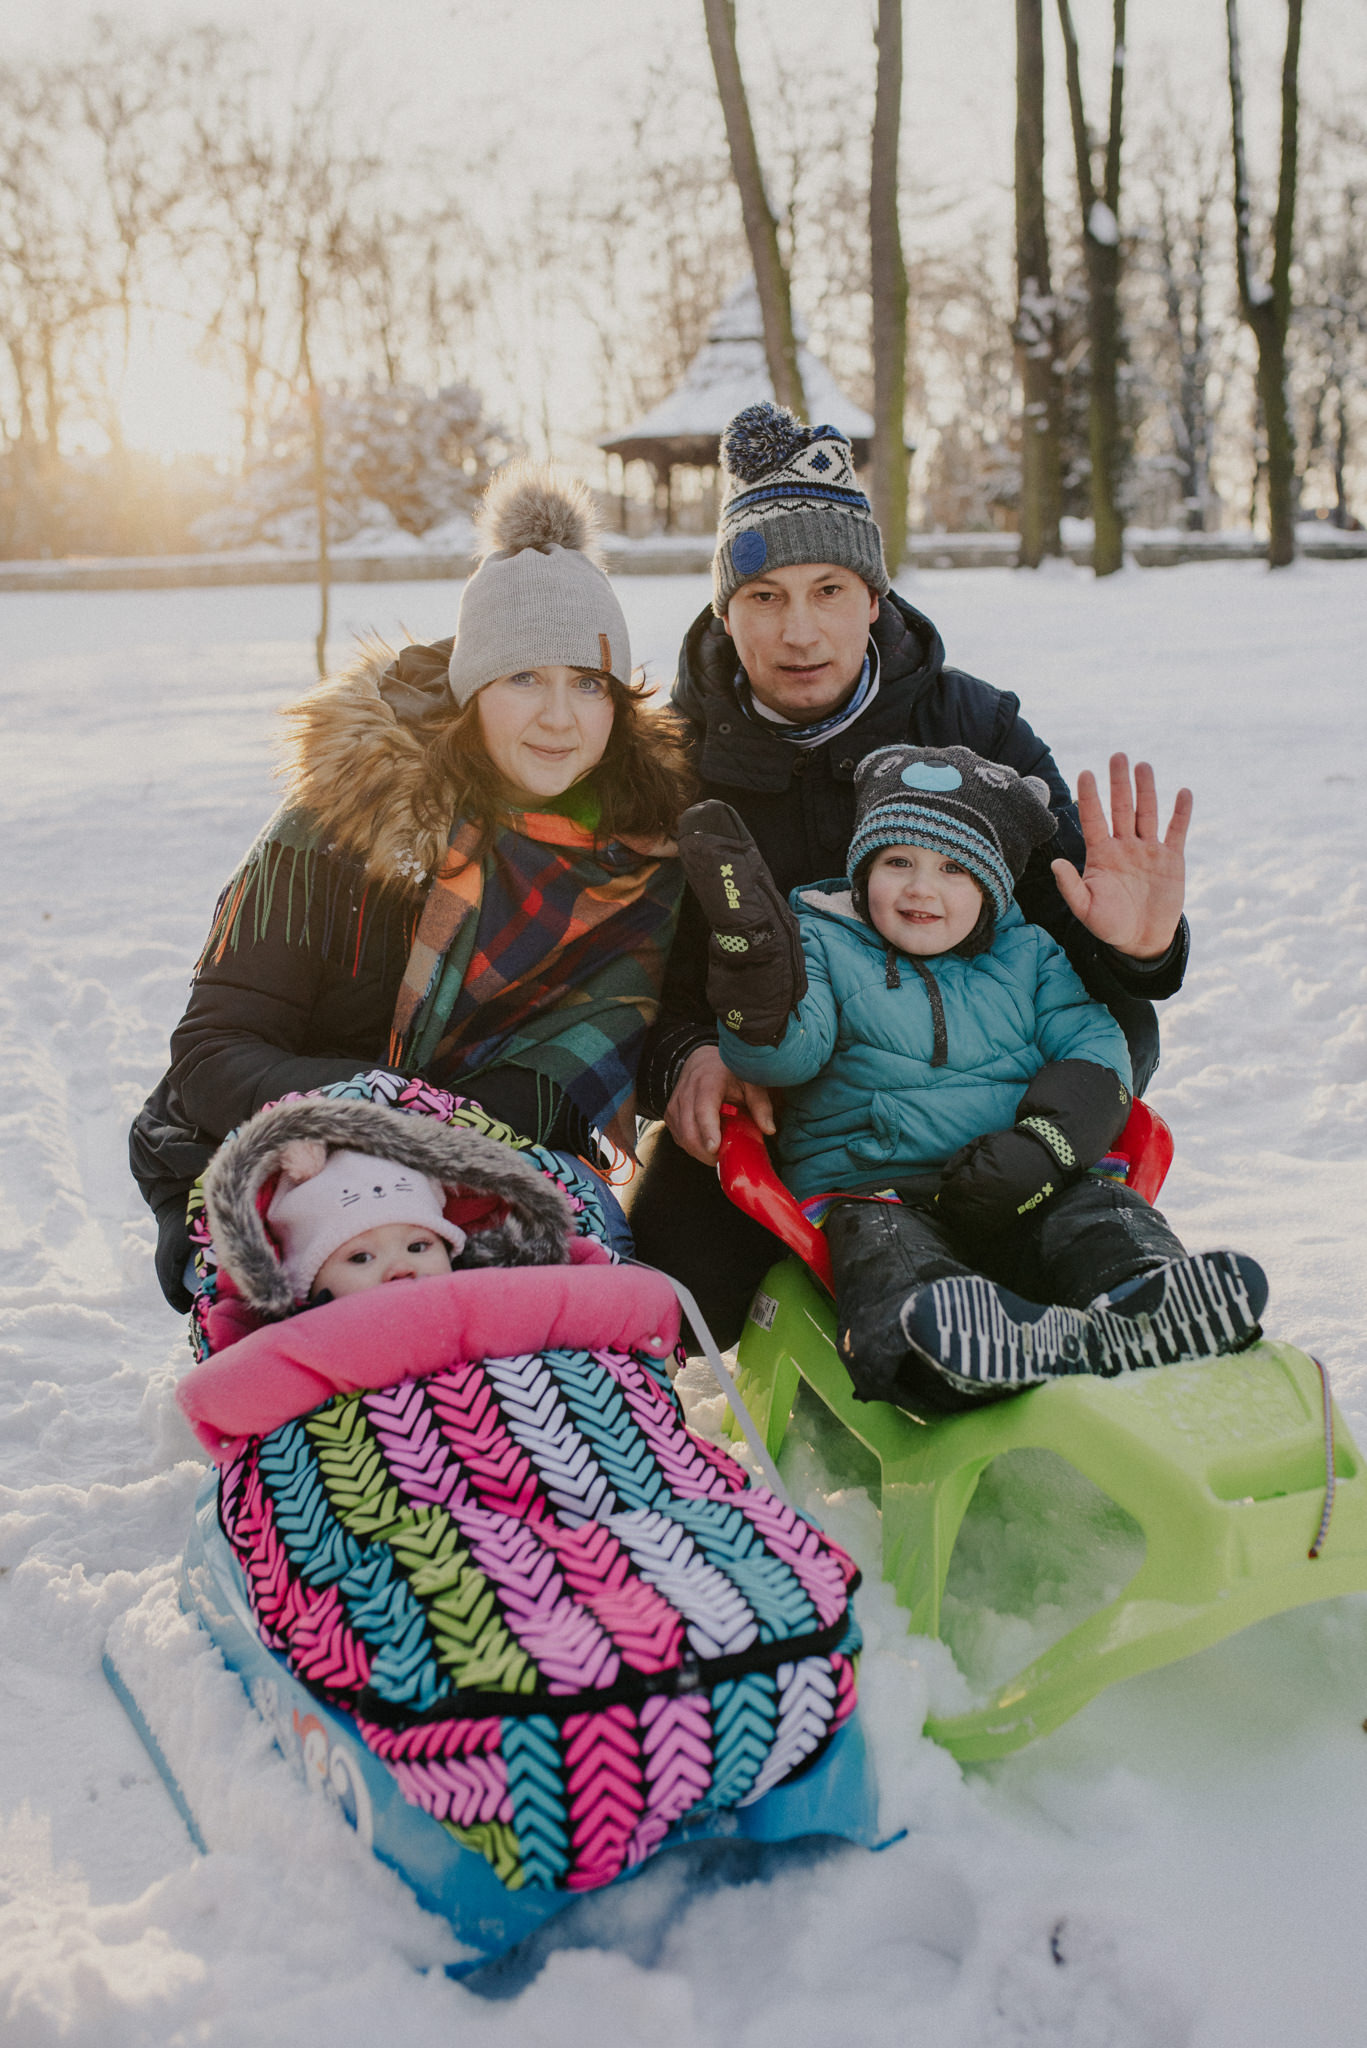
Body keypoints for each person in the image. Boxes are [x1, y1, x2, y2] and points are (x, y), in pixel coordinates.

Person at [628, 400, 1193, 1344]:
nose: (799, 632)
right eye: (765, 598)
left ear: (876, 598)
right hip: (774, 1089)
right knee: (666, 1297)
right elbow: (620, 977)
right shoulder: (666, 763)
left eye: (830, 590)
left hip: (978, 1090)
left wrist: (1136, 953)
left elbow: (1072, 953)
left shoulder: (970, 728)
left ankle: (1097, 1276)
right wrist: (679, 1054)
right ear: (725, 612)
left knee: (1079, 1110)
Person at [131, 466, 693, 1309]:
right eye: (522, 678)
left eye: (587, 682)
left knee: (568, 1282)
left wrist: (434, 1146)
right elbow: (216, 1050)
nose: (559, 716)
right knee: (348, 1303)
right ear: (472, 691)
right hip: (284, 1138)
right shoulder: (340, 823)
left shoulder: (634, 858)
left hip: (488, 1148)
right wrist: (367, 1120)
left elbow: (563, 1084)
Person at [676, 745, 1266, 1412]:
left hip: (1025, 1183)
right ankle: (953, 1343)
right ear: (863, 868)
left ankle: (1144, 1299)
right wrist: (755, 968)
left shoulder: (1031, 954)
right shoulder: (823, 943)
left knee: (1100, 1211)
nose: (920, 887)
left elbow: (1097, 1055)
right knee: (884, 1252)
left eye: (953, 868)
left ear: (991, 885)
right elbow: (783, 1058)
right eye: (897, 861)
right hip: (877, 1192)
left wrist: (1043, 1148)